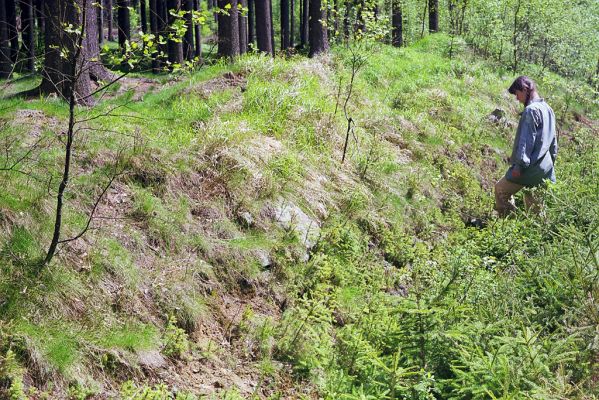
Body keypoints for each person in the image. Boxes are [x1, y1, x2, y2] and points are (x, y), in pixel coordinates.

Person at [494, 76, 558, 217]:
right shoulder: (548, 109)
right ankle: (538, 233)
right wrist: (550, 166)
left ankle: (508, 224)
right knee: (535, 209)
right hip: (544, 169)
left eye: (517, 94)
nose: (517, 99)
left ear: (524, 89)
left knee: (500, 189)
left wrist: (519, 166)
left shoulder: (531, 110)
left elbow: (526, 141)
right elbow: (554, 143)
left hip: (529, 168)